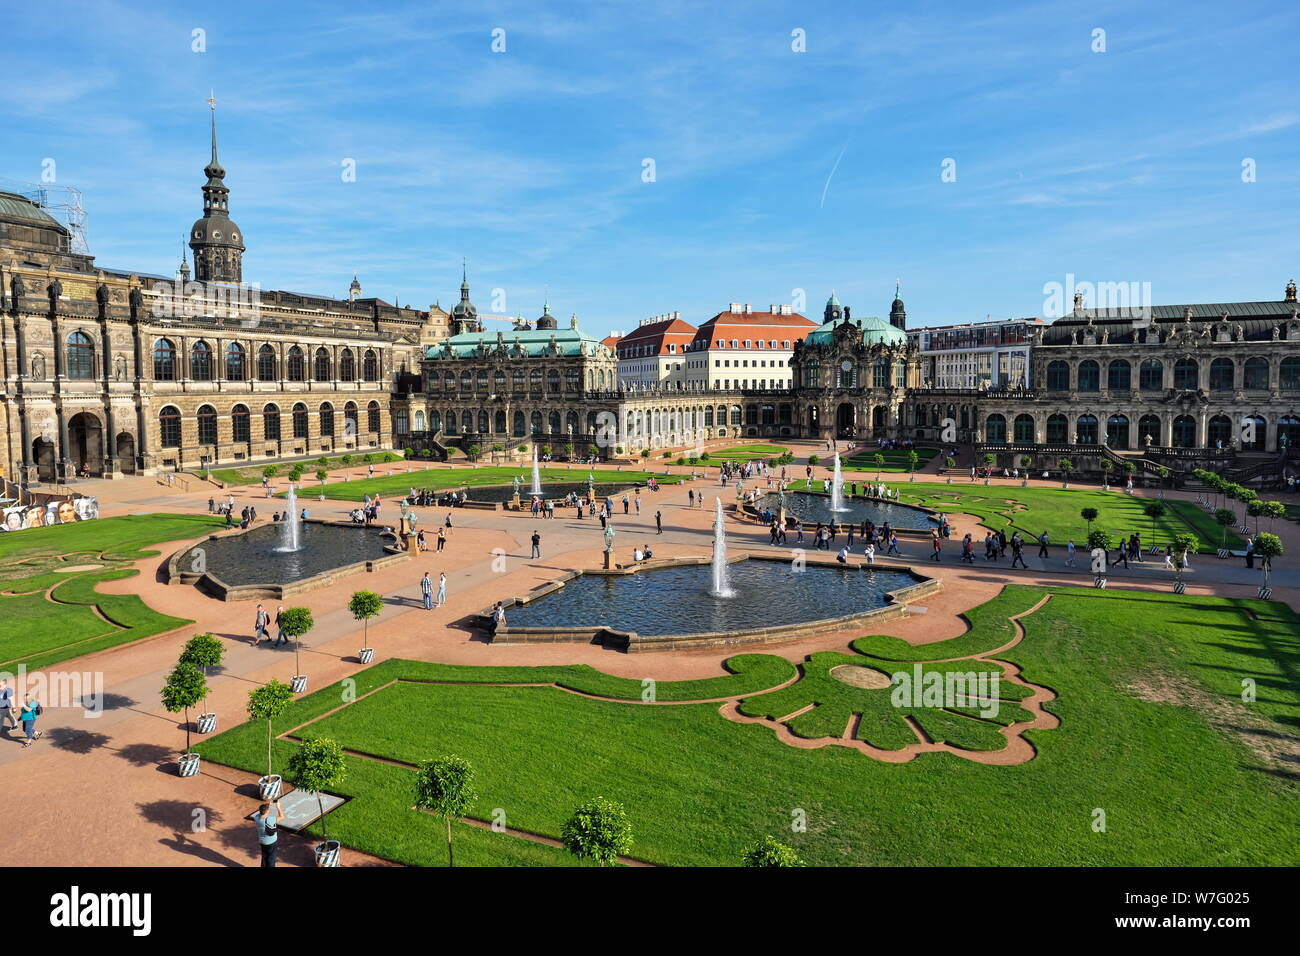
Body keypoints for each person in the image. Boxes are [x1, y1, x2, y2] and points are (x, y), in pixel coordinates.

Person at [252, 799, 284, 867]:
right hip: (271, 842)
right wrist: (278, 807)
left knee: (264, 857)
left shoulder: (256, 818)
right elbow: (282, 816)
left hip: (262, 842)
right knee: (271, 859)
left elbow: (262, 812)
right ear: (267, 811)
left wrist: (268, 805)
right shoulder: (269, 819)